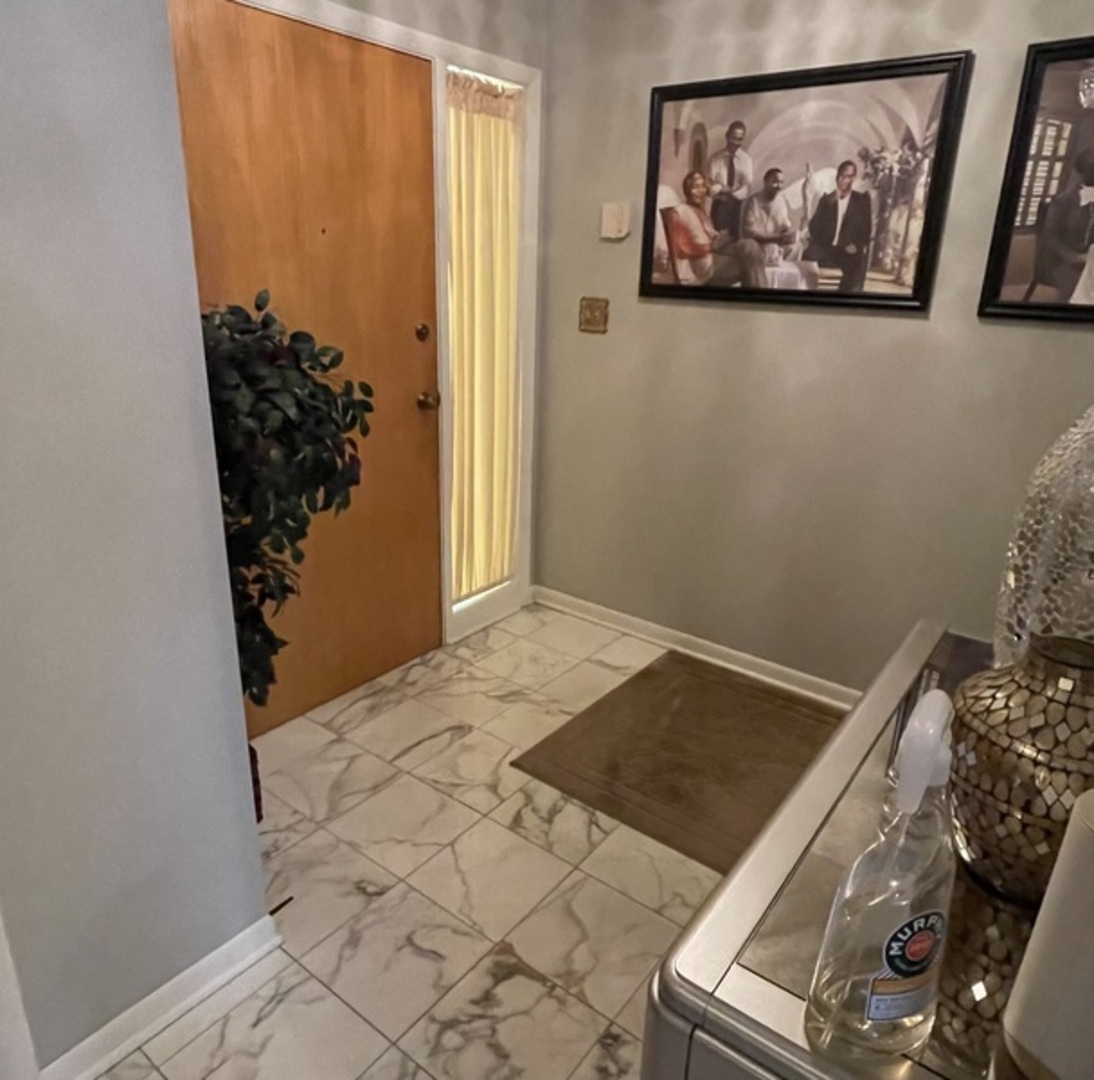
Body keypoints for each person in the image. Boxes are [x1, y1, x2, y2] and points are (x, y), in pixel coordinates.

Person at [665, 171, 766, 288]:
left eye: (703, 187)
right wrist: (712, 246)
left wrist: (721, 238)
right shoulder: (678, 212)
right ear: (686, 190)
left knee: (750, 246)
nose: (701, 191)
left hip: (713, 256)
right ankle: (761, 297)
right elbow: (683, 249)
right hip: (701, 268)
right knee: (750, 261)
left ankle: (757, 296)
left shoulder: (700, 212)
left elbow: (711, 237)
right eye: (696, 187)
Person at [803, 159, 873, 293]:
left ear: (853, 179)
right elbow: (813, 228)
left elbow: (866, 230)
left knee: (858, 261)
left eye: (848, 176)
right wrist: (829, 204)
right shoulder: (827, 199)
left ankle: (845, 298)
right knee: (808, 254)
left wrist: (856, 244)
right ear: (837, 177)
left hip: (847, 249)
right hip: (826, 247)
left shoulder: (862, 200)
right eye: (841, 175)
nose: (843, 180)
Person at [1040, 146, 1094, 302]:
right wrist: (1075, 257)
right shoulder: (1064, 201)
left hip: (1092, 263)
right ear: (1082, 173)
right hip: (1064, 266)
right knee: (1078, 295)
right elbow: (1050, 237)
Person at [742, 168, 804, 264]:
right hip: (758, 246)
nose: (779, 186)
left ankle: (786, 276)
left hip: (777, 244)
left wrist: (789, 236)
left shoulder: (781, 202)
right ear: (765, 182)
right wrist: (775, 238)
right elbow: (749, 232)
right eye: (775, 182)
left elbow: (784, 226)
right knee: (772, 249)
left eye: (781, 182)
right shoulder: (753, 201)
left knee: (797, 247)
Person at [706, 121, 754, 240]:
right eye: (733, 138)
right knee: (717, 239)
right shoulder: (715, 159)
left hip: (737, 206)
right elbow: (709, 184)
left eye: (739, 139)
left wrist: (731, 192)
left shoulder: (746, 160)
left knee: (735, 239)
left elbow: (747, 186)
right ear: (727, 136)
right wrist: (721, 188)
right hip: (719, 205)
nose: (736, 142)